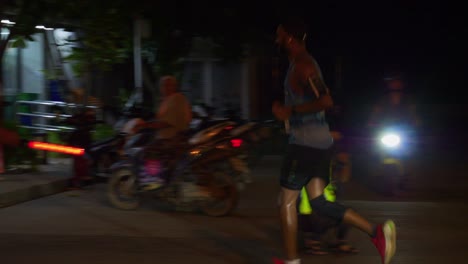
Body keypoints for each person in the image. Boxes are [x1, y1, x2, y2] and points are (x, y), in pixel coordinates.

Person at [271, 19, 396, 264]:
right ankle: (376, 232)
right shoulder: (303, 63)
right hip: (319, 144)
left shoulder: (304, 65)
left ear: (288, 38)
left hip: (305, 145)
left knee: (285, 201)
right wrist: (289, 110)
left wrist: (290, 112)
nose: (276, 39)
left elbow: (326, 101)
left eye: (279, 35)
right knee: (318, 202)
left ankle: (291, 261)